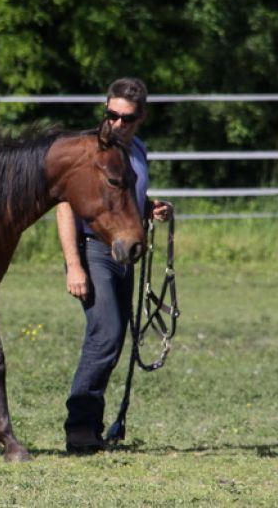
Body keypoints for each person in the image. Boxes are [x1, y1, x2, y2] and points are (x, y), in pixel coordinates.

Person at [56, 77, 172, 453]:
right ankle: (79, 428)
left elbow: (123, 197)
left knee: (115, 336)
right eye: (112, 115)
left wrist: (150, 207)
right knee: (105, 333)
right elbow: (63, 206)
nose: (118, 124)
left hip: (123, 252)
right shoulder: (89, 150)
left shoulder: (137, 149)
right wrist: (73, 265)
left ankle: (92, 424)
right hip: (93, 250)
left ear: (141, 118)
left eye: (127, 118)